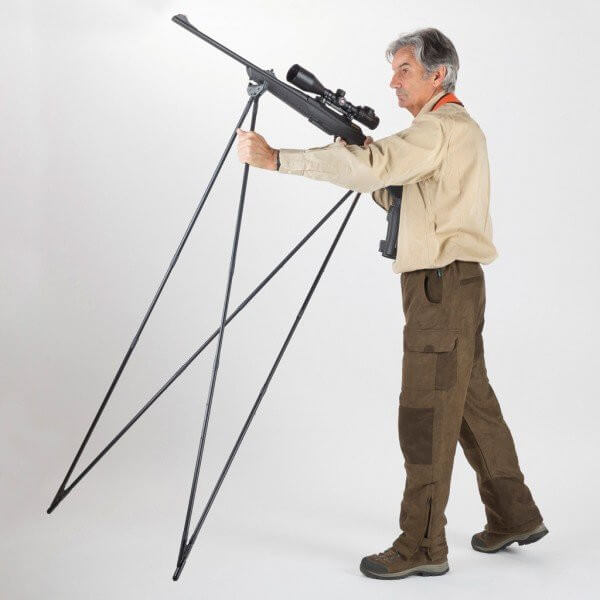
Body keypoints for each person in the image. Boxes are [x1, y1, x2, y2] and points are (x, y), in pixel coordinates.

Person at [236, 27, 547, 580]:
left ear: (437, 75)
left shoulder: (437, 128)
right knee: (470, 404)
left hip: (439, 287)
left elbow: (376, 168)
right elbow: (398, 192)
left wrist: (279, 159)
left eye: (404, 69)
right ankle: (514, 516)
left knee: (426, 413)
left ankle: (423, 544)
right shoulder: (451, 130)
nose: (393, 81)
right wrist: (357, 155)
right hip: (457, 284)